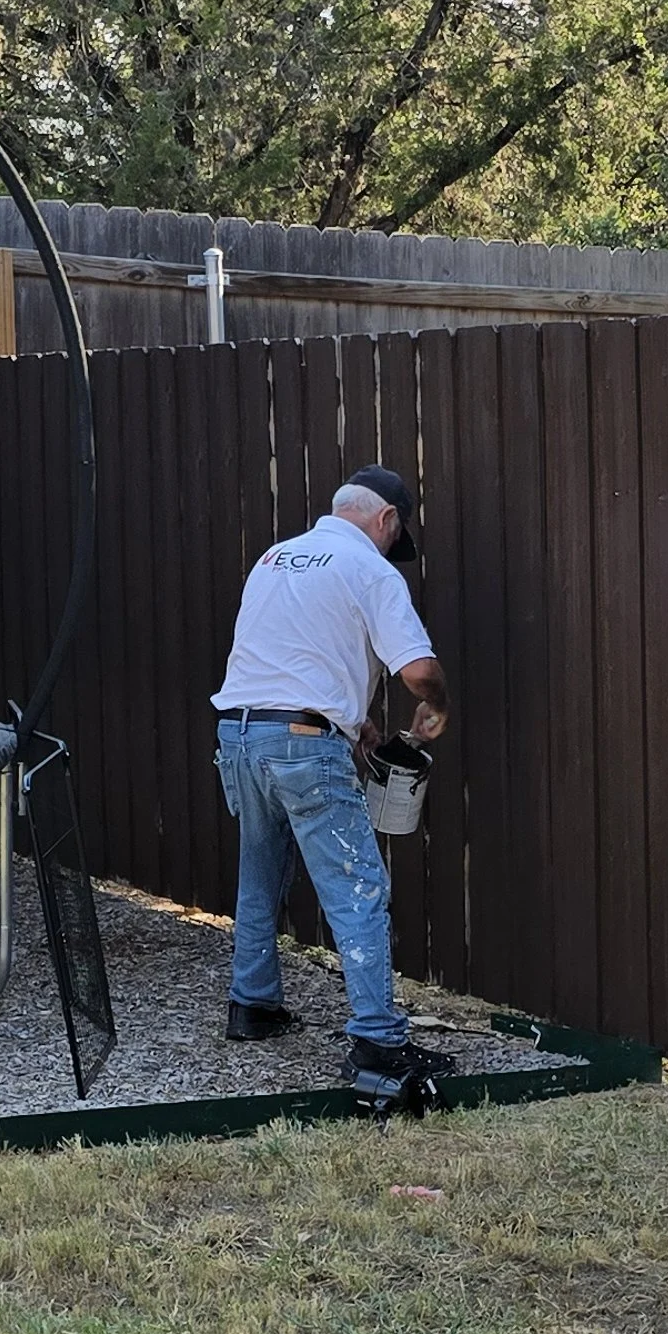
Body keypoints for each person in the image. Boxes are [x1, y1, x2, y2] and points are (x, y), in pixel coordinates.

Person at [211, 463, 452, 1110]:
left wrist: (354, 723)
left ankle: (253, 1005)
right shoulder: (370, 568)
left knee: (260, 872)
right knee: (359, 889)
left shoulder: (275, 558)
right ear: (386, 521)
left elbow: (287, 658)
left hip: (239, 735)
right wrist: (437, 705)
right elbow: (418, 669)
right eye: (393, 537)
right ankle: (377, 1041)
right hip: (302, 743)